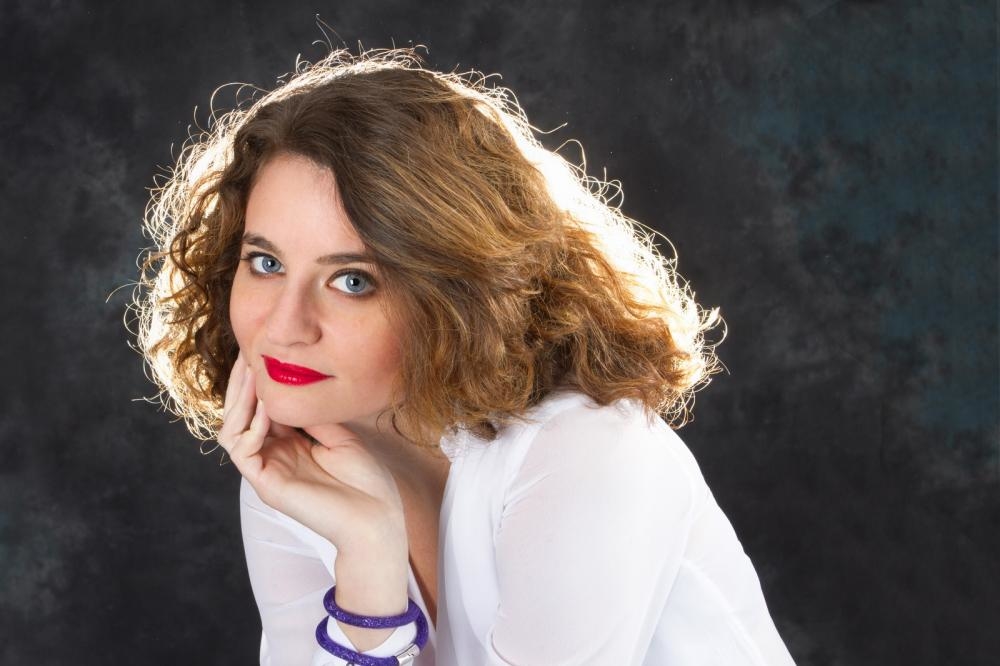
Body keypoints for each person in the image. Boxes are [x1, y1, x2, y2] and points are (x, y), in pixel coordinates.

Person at [135, 47, 795, 665]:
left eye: (353, 280)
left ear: (458, 296)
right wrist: (367, 554)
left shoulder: (584, 448)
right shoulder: (298, 473)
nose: (284, 327)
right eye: (265, 263)